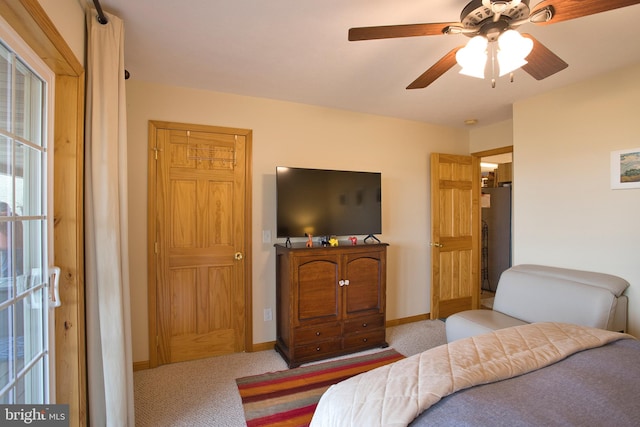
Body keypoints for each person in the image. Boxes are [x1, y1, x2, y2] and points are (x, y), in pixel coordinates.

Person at [0, 202, 23, 278]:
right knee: (19, 270)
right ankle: (20, 286)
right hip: (19, 246)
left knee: (6, 271)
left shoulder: (4, 218)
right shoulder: (15, 216)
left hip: (7, 248)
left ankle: (8, 288)